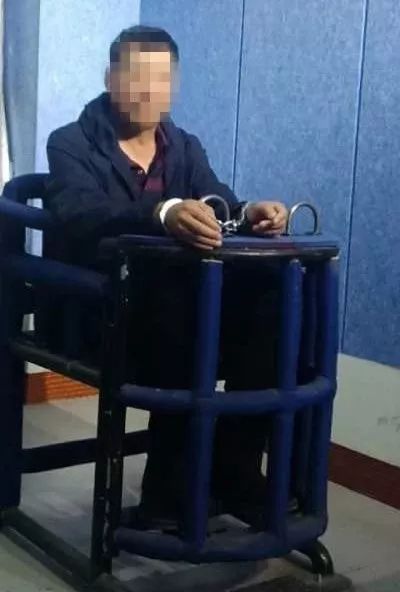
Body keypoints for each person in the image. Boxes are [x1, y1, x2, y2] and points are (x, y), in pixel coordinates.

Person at [46, 25, 289, 529]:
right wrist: (163, 212)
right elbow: (80, 213)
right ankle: (167, 492)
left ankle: (236, 471)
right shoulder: (69, 142)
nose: (148, 91)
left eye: (161, 79)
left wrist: (250, 213)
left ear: (174, 85)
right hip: (104, 310)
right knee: (181, 301)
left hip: (181, 308)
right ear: (110, 79)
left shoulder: (184, 146)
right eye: (136, 77)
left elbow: (219, 201)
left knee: (276, 294)